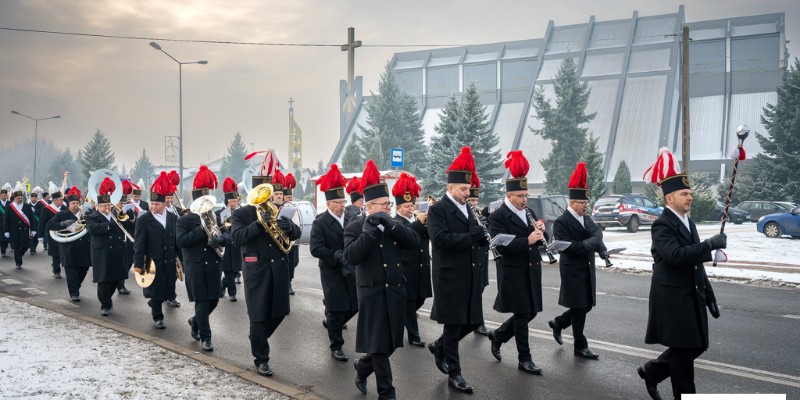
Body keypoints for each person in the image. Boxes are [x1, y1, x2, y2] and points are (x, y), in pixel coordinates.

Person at [637, 148, 724, 400]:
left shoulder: (689, 222)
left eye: (690, 193)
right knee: (684, 355)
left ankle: (652, 371)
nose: (690, 197)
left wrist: (709, 294)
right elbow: (675, 256)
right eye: (684, 194)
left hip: (691, 295)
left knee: (696, 345)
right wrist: (709, 245)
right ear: (669, 199)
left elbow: (696, 264)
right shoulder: (661, 225)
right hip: (672, 297)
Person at [344, 160, 417, 399]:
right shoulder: (356, 227)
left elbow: (414, 243)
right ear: (370, 205)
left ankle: (362, 367)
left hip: (395, 289)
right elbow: (351, 257)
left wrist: (391, 225)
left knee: (390, 343)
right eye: (384, 205)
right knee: (379, 345)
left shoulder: (394, 223)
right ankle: (387, 393)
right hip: (372, 292)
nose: (388, 208)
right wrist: (369, 231)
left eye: (389, 204)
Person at [230, 151, 301, 377]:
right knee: (258, 315)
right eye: (260, 194)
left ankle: (257, 337)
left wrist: (289, 228)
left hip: (279, 269)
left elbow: (296, 233)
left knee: (279, 312)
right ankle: (262, 359)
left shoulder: (279, 210)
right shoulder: (242, 214)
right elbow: (237, 238)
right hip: (255, 270)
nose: (265, 198)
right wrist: (260, 224)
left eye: (267, 194)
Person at [426, 147, 486, 393]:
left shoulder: (469, 208)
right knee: (453, 325)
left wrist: (482, 236)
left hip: (470, 273)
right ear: (450, 188)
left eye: (469, 189)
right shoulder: (438, 209)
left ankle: (439, 347)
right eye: (463, 189)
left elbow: (473, 237)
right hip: (450, 275)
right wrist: (470, 237)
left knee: (472, 321)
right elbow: (439, 239)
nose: (467, 193)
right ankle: (455, 372)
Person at [486, 150, 546, 375]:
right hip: (512, 270)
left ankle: (499, 335)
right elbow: (498, 244)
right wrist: (526, 241)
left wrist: (540, 234)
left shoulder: (528, 211)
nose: (524, 200)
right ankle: (525, 359)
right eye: (520, 196)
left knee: (530, 312)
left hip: (531, 268)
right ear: (509, 196)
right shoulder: (497, 216)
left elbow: (536, 241)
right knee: (522, 314)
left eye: (526, 195)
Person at [547, 162, 608, 360]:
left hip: (587, 267)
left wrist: (600, 247)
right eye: (582, 203)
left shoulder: (586, 218)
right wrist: (592, 242)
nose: (585, 205)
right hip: (572, 269)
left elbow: (596, 233)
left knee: (586, 305)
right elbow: (571, 247)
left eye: (586, 203)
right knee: (580, 306)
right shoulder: (562, 222)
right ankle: (580, 346)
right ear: (573, 202)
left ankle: (559, 323)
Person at [310, 164, 358, 362]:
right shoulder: (320, 222)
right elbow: (316, 248)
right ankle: (336, 345)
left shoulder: (352, 218)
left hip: (351, 269)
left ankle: (331, 322)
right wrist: (336, 255)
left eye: (343, 201)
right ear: (329, 203)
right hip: (331, 270)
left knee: (354, 305)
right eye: (338, 202)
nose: (342, 205)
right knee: (337, 307)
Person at [177, 165, 227, 351]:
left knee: (213, 300)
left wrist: (221, 238)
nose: (206, 205)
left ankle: (195, 321)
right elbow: (181, 241)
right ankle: (206, 338)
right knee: (202, 302)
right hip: (196, 266)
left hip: (214, 265)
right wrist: (201, 230)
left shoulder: (214, 217)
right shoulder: (184, 220)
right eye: (202, 201)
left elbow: (226, 236)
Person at [133, 172, 179, 329]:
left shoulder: (173, 218)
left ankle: (154, 302)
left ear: (164, 204)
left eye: (156, 204)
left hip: (169, 260)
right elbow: (139, 243)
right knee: (156, 289)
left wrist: (181, 260)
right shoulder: (144, 220)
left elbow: (176, 241)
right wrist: (138, 264)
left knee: (168, 289)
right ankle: (157, 316)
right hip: (152, 261)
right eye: (151, 204)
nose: (153, 207)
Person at [392, 173, 432, 347]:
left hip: (421, 266)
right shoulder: (395, 221)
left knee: (420, 299)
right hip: (406, 267)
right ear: (399, 207)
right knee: (409, 302)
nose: (410, 208)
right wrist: (419, 222)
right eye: (407, 206)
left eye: (412, 205)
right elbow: (405, 233)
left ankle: (399, 318)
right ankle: (414, 336)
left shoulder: (417, 222)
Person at [86, 177, 133, 316]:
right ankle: (105, 304)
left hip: (117, 251)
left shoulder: (115, 215)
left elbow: (129, 225)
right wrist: (111, 224)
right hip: (102, 252)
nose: (107, 208)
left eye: (108, 206)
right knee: (103, 280)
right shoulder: (92, 216)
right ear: (99, 206)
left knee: (115, 277)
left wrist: (131, 216)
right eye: (104, 206)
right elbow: (94, 229)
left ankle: (108, 299)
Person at [46, 186, 90, 300]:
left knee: (83, 269)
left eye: (77, 202)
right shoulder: (61, 215)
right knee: (71, 271)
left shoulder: (85, 214)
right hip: (68, 247)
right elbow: (49, 225)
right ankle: (74, 293)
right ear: (68, 205)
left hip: (83, 247)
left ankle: (76, 286)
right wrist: (62, 224)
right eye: (73, 203)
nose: (75, 205)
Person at [468, 177, 490, 336]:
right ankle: (477, 321)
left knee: (480, 288)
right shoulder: (464, 215)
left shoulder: (480, 214)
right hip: (470, 258)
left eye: (476, 199)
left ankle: (475, 320)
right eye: (471, 199)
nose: (474, 203)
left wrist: (486, 224)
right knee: (472, 290)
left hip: (482, 257)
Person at [216, 177, 241, 302]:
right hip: (225, 245)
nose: (235, 203)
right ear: (227, 201)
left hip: (237, 245)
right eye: (233, 201)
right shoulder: (218, 213)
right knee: (228, 270)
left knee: (236, 270)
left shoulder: (240, 212)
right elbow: (219, 228)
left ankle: (223, 284)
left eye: (236, 201)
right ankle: (232, 293)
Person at [4, 183, 36, 269]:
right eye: (18, 198)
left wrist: (33, 229)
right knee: (16, 247)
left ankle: (19, 256)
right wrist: (6, 230)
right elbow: (6, 220)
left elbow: (32, 218)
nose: (20, 199)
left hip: (25, 231)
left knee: (26, 246)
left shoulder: (27, 206)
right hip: (14, 230)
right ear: (14, 199)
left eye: (21, 198)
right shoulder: (10, 207)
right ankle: (18, 262)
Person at [38, 187, 66, 278]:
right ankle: (56, 270)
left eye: (62, 199)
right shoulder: (46, 209)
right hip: (52, 234)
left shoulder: (65, 208)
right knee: (55, 253)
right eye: (60, 200)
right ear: (54, 200)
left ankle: (56, 265)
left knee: (64, 252)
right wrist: (40, 236)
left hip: (64, 234)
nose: (62, 201)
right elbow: (42, 223)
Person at [116, 180, 136, 295]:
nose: (122, 206)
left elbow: (131, 225)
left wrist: (132, 217)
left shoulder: (127, 212)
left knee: (128, 263)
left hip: (128, 241)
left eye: (124, 204)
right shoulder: (113, 212)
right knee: (120, 264)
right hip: (118, 242)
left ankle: (121, 283)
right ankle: (120, 285)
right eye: (121, 204)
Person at [283, 172, 300, 295]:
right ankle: (287, 283)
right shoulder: (280, 208)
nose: (290, 199)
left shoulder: (294, 206)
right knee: (287, 262)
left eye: (291, 197)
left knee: (295, 261)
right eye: (288, 197)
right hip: (283, 240)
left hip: (294, 240)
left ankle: (289, 280)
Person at [28, 188, 44, 255]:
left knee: (36, 237)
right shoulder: (28, 205)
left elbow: (42, 213)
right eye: (33, 198)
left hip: (38, 223)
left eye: (35, 198)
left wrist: (35, 211)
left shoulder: (40, 205)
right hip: (30, 224)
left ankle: (34, 247)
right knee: (31, 236)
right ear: (30, 198)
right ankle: (32, 249)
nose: (34, 199)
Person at [0, 183, 11, 257]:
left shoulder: (10, 204)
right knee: (1, 238)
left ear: (7, 196)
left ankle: (5, 246)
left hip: (7, 224)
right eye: (2, 195)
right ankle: (2, 249)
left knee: (7, 239)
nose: (3, 197)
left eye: (5, 195)